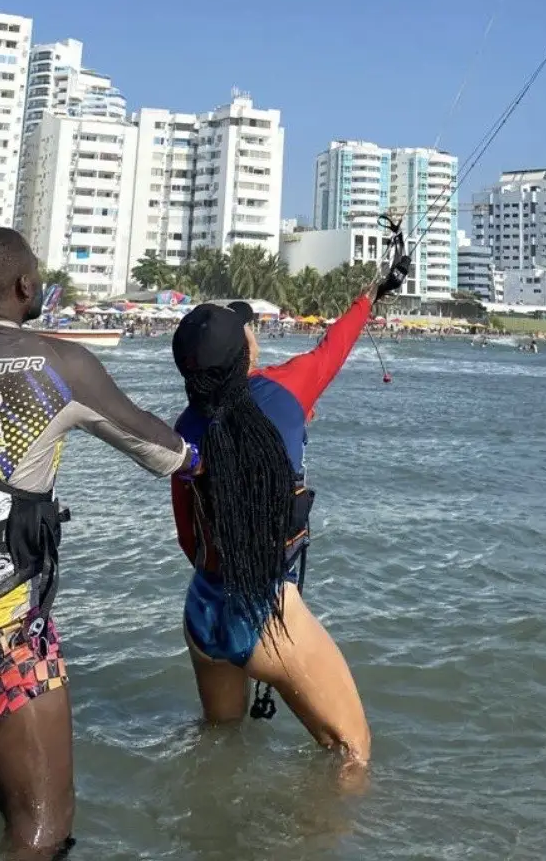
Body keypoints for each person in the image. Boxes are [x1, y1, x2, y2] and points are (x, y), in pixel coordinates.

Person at [0, 227, 192, 860]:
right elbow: (165, 453)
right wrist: (209, 452)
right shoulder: (57, 365)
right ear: (27, 288)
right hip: (1, 633)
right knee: (41, 833)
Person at [170, 255, 410, 766]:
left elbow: (188, 539)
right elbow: (336, 345)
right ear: (244, 355)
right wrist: (374, 293)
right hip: (266, 614)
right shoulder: (286, 389)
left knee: (219, 746)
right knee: (352, 754)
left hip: (202, 612)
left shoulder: (182, 431)